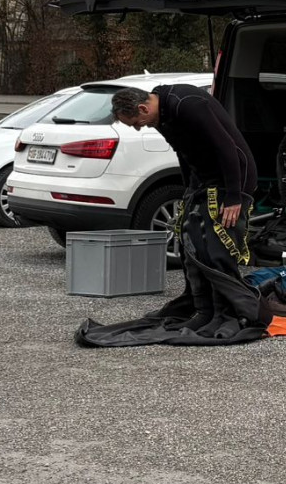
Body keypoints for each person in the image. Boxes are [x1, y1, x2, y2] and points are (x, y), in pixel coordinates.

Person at [106, 83, 263, 336]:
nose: (139, 128)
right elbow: (184, 153)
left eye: (136, 123)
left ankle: (226, 312)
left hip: (232, 178)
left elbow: (225, 146)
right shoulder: (161, 116)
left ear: (143, 108)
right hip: (204, 180)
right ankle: (202, 309)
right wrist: (188, 190)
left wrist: (235, 196)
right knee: (191, 242)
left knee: (216, 248)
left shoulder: (187, 104)